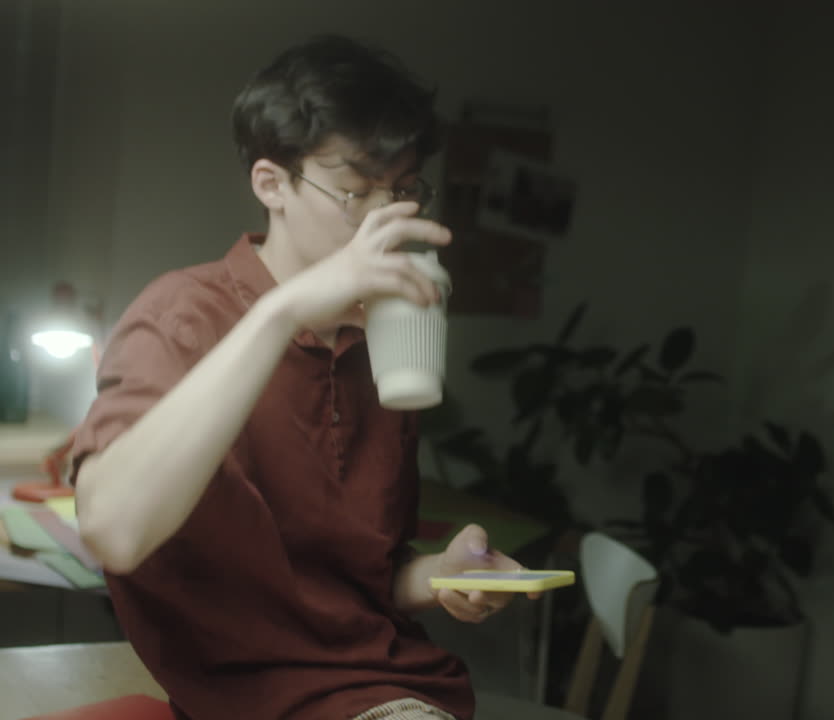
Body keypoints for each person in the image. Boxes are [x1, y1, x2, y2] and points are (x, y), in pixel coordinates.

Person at [70, 35, 530, 720]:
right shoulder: (182, 317)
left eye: (404, 191)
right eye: (355, 192)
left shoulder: (388, 335)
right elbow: (113, 530)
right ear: (271, 185)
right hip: (248, 700)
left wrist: (440, 575)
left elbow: (347, 582)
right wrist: (282, 312)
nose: (385, 219)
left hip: (392, 687)